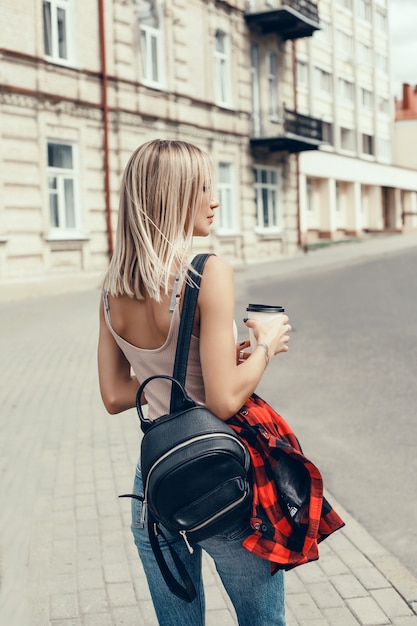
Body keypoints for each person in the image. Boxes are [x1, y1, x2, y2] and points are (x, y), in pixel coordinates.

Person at [97, 139, 292, 626]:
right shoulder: (208, 272)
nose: (214, 197)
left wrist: (217, 363)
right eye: (202, 186)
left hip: (156, 484)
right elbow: (224, 401)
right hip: (217, 477)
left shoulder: (112, 287)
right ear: (172, 196)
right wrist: (267, 345)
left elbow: (116, 395)